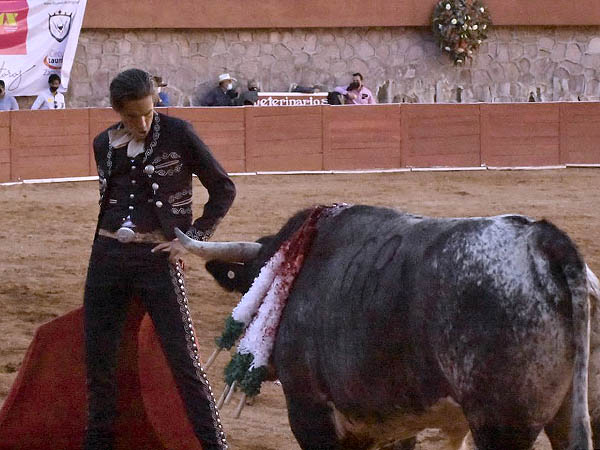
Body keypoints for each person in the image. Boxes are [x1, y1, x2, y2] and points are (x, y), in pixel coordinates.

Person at [83, 68, 234, 450]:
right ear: (117, 111)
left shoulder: (179, 133)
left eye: (148, 113)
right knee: (99, 359)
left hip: (157, 258)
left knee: (183, 360)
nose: (143, 123)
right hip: (107, 255)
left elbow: (223, 188)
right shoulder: (103, 144)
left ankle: (214, 445)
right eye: (132, 116)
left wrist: (193, 239)